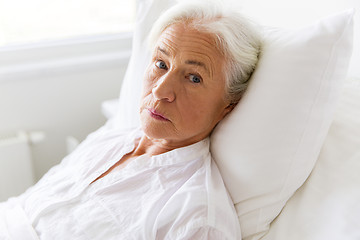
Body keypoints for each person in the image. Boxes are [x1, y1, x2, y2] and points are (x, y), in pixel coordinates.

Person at [0, 1, 261, 239]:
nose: (160, 90)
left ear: (228, 105)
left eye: (193, 78)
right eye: (161, 63)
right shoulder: (109, 139)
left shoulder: (196, 218)